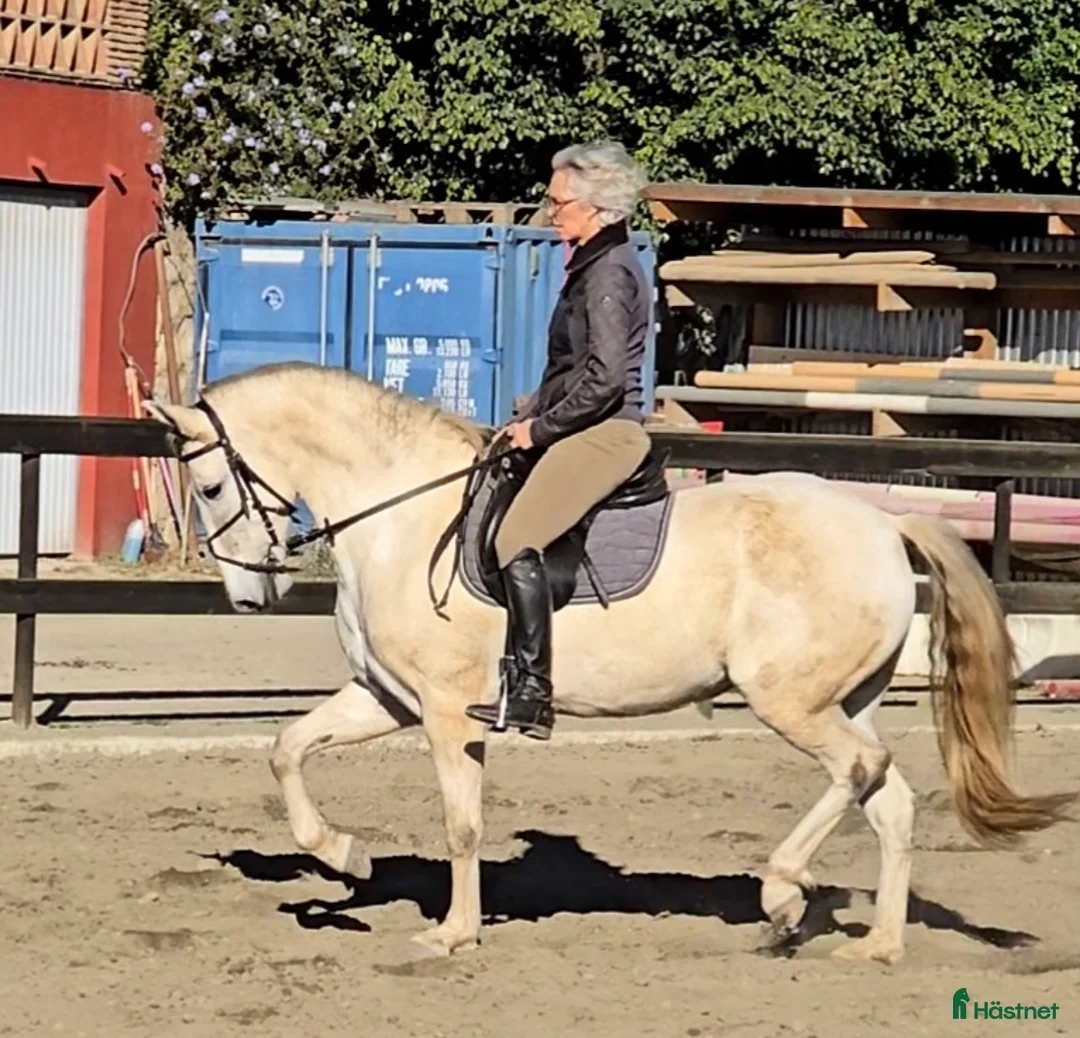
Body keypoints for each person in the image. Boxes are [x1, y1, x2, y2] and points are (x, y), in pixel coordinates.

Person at [465, 140, 652, 741]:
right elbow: (567, 372)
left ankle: (531, 691)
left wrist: (540, 429)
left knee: (516, 536)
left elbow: (604, 379)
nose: (550, 212)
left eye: (558, 202)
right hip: (580, 423)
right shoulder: (590, 267)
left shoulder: (609, 273)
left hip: (605, 433)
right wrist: (525, 416)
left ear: (596, 206)